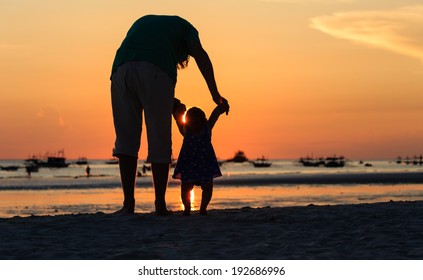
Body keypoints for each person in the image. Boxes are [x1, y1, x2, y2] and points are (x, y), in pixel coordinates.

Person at [110, 15, 229, 215]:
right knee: (159, 140)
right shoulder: (188, 28)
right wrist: (215, 95)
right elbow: (201, 55)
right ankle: (159, 205)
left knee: (126, 140)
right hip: (156, 70)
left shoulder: (144, 21)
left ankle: (128, 204)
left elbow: (138, 63)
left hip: (121, 69)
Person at [172, 105, 226, 216]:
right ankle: (200, 209)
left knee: (186, 189)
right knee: (206, 189)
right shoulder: (206, 128)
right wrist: (221, 107)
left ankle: (190, 209)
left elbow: (178, 120)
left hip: (191, 166)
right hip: (204, 166)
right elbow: (214, 116)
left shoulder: (187, 130)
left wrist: (177, 111)